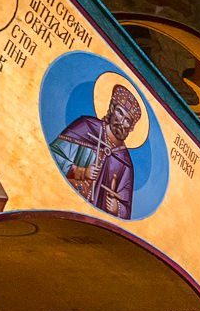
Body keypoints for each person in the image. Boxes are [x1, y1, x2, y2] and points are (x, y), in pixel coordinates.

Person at [49, 83, 143, 218]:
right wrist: (81, 172)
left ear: (131, 127)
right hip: (62, 204)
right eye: (120, 112)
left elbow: (126, 209)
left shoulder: (125, 163)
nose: (122, 122)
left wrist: (117, 208)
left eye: (127, 120)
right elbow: (53, 154)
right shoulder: (86, 127)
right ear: (111, 108)